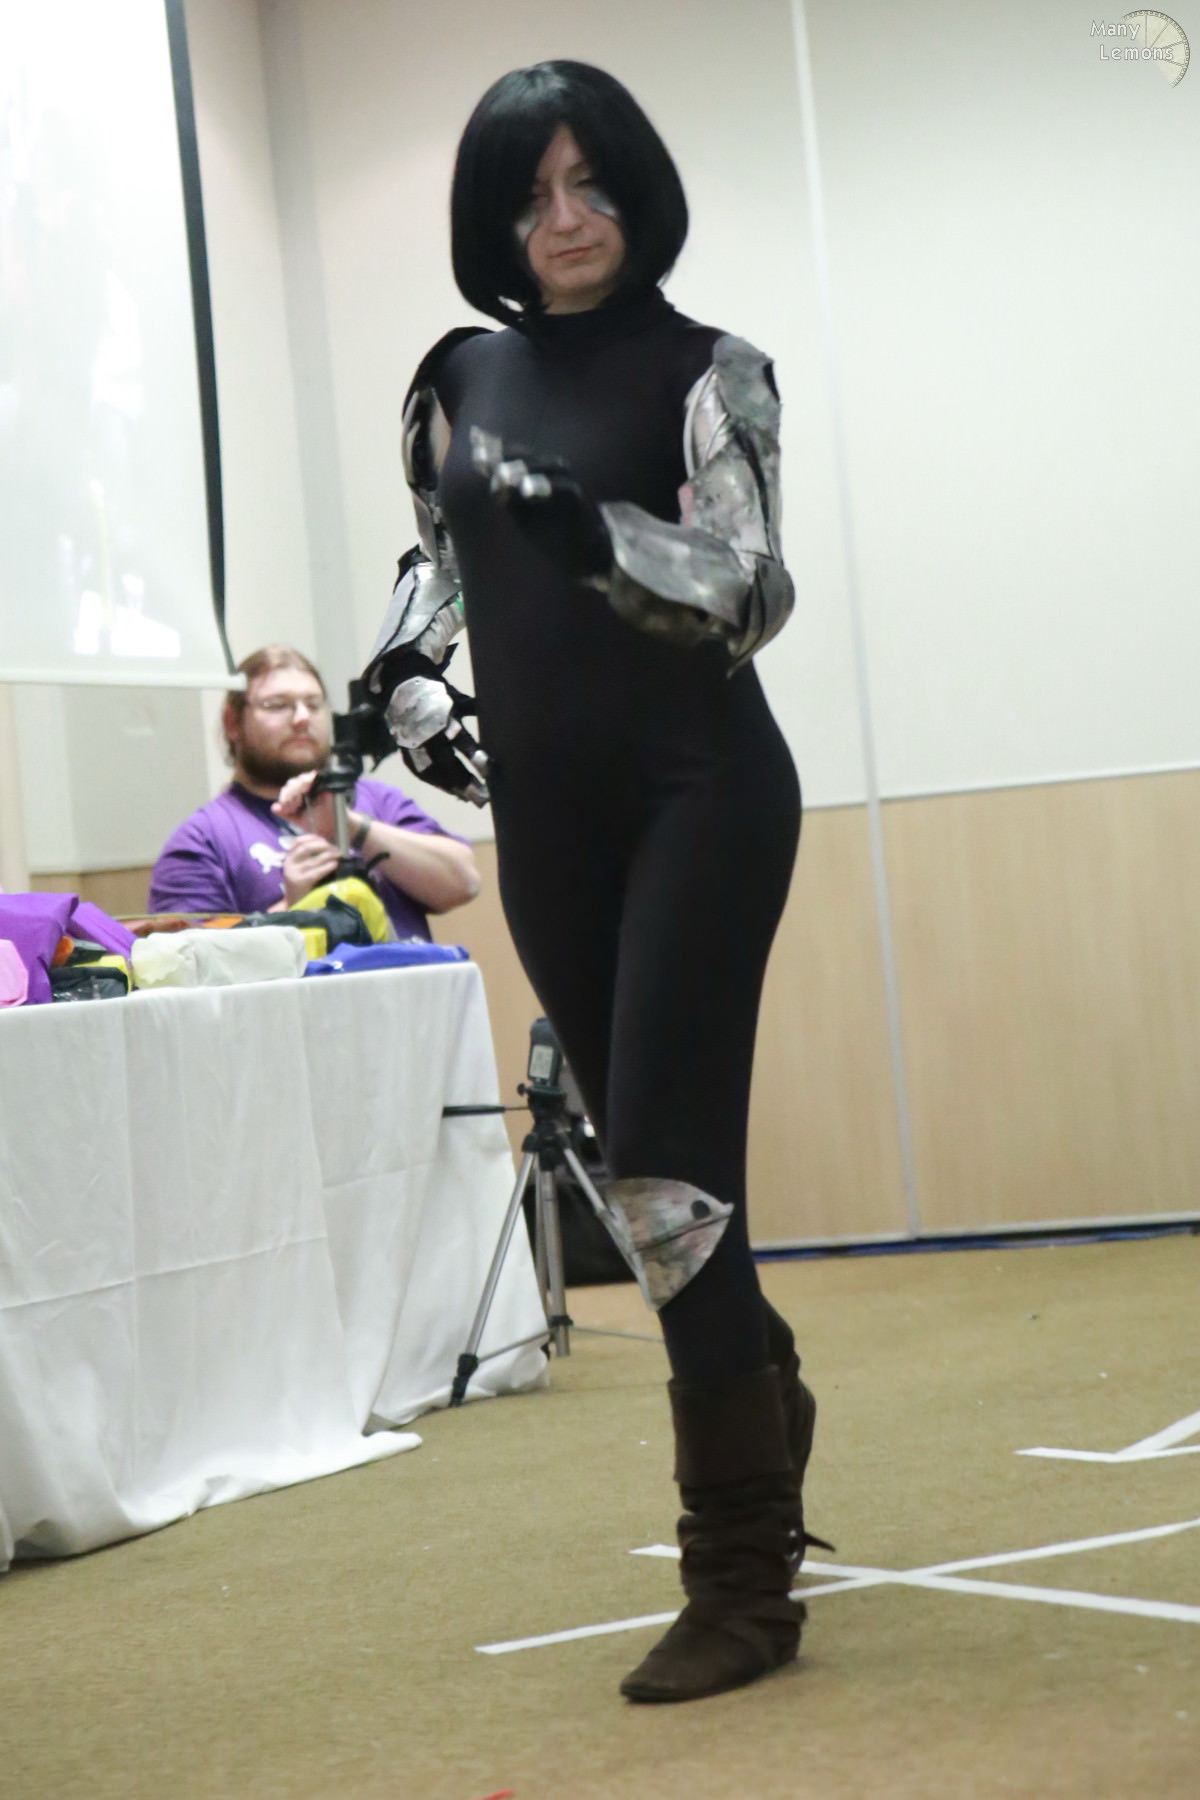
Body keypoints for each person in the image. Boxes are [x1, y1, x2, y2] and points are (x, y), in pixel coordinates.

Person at [362, 62, 821, 1704]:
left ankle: (742, 1581)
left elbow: (753, 586)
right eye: (531, 193)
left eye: (591, 184)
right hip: (549, 823)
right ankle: (761, 1383)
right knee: (646, 1171)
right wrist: (402, 673)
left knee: (668, 1181)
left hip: (706, 795)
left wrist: (603, 536)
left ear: (639, 192)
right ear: (495, 218)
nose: (564, 220)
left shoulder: (714, 369)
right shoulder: (456, 379)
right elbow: (441, 562)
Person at [148, 646, 480, 935]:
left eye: (314, 704)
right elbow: (186, 960)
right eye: (277, 705)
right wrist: (292, 908)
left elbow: (464, 883)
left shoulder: (378, 801)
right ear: (232, 722)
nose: (302, 718)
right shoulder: (202, 840)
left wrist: (353, 827)